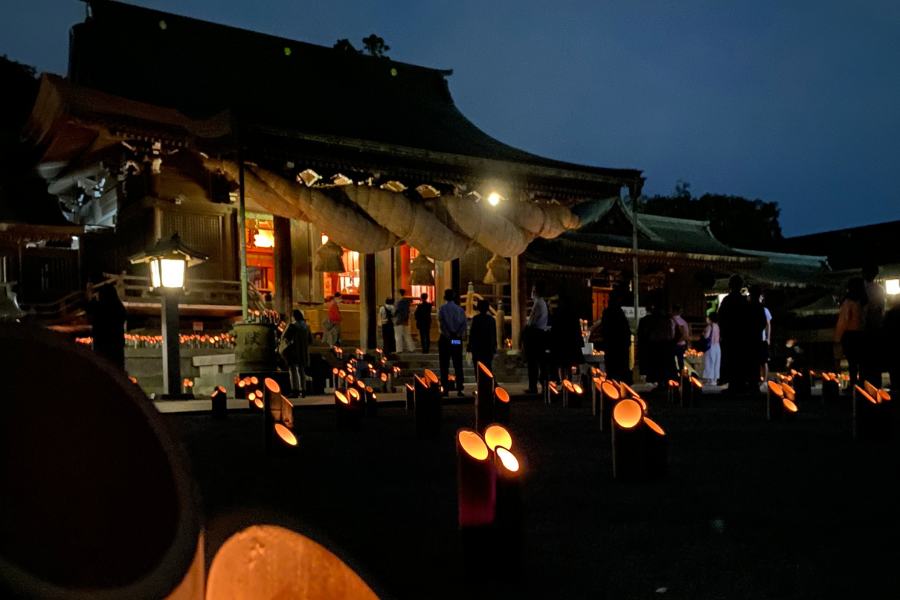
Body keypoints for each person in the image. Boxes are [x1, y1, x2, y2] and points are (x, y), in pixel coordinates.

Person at [718, 275, 752, 393]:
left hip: (730, 334)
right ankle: (741, 382)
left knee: (730, 359)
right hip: (742, 335)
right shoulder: (744, 301)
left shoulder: (727, 300)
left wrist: (723, 330)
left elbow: (721, 317)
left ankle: (733, 383)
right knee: (741, 359)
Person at [835, 277, 868, 388]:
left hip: (850, 335)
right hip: (862, 334)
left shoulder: (848, 301)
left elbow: (843, 321)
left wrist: (838, 337)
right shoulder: (864, 300)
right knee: (862, 362)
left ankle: (854, 384)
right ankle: (863, 383)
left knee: (852, 363)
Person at [89, 284, 127, 371]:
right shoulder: (118, 307)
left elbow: (87, 306)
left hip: (102, 344)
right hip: (116, 345)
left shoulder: (100, 308)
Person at [438, 289, 467, 396]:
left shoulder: (442, 309)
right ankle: (459, 387)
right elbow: (464, 324)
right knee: (458, 363)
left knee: (444, 364)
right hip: (456, 338)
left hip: (446, 338)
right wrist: (457, 334)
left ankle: (445, 388)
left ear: (444, 297)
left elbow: (441, 324)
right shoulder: (460, 309)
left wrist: (448, 335)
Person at [549, 294, 585, 382]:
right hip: (571, 343)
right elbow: (577, 329)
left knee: (562, 365)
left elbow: (555, 328)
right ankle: (569, 383)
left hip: (561, 342)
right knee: (569, 365)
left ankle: (563, 382)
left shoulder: (558, 313)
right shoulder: (573, 314)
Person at [523, 283, 550, 394]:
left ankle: (533, 386)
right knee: (541, 362)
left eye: (533, 290)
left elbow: (532, 320)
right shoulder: (542, 303)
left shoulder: (538, 303)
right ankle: (544, 385)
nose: (532, 292)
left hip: (535, 334)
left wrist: (526, 329)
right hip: (541, 333)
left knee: (533, 362)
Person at [600, 291, 633, 384]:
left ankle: (612, 385)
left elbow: (605, 329)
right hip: (620, 345)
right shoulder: (619, 313)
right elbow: (625, 329)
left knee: (612, 368)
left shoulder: (607, 313)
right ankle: (622, 384)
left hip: (611, 344)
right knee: (622, 366)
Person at [861, 264, 885, 386]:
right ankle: (876, 382)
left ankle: (865, 382)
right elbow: (881, 307)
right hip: (877, 326)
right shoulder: (879, 289)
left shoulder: (861, 288)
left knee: (865, 359)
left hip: (864, 327)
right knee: (876, 358)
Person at [282, 310, 312, 397]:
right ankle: (303, 390)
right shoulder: (307, 327)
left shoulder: (292, 326)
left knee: (292, 370)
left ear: (294, 316)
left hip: (293, 351)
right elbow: (310, 340)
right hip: (303, 351)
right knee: (301, 370)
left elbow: (284, 336)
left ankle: (295, 390)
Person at [749, 285, 771, 386]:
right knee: (758, 360)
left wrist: (768, 337)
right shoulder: (759, 308)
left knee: (763, 360)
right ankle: (757, 380)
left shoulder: (763, 309)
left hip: (760, 338)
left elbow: (767, 324)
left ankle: (764, 380)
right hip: (757, 337)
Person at [468, 299, 497, 373]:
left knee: (478, 367)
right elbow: (493, 334)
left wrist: (469, 346)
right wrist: (494, 346)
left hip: (477, 347)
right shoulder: (491, 319)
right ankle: (489, 383)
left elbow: (472, 333)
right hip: (488, 347)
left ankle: (480, 382)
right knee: (488, 367)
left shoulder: (476, 319)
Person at [393, 288, 415, 353]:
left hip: (399, 320)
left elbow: (396, 311)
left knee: (398, 336)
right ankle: (411, 348)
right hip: (406, 320)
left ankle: (399, 349)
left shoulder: (398, 302)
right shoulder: (407, 301)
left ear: (399, 293)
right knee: (407, 335)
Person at [671, 304, 690, 375]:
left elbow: (671, 333)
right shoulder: (683, 322)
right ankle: (682, 376)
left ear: (674, 311)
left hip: (673, 344)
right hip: (682, 344)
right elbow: (686, 334)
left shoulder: (671, 321)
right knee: (681, 361)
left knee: (672, 361)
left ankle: (674, 375)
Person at [702, 312, 721, 385]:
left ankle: (710, 379)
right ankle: (714, 380)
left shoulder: (710, 326)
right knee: (716, 363)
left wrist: (703, 333)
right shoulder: (718, 326)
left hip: (711, 346)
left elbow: (706, 336)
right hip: (717, 346)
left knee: (710, 362)